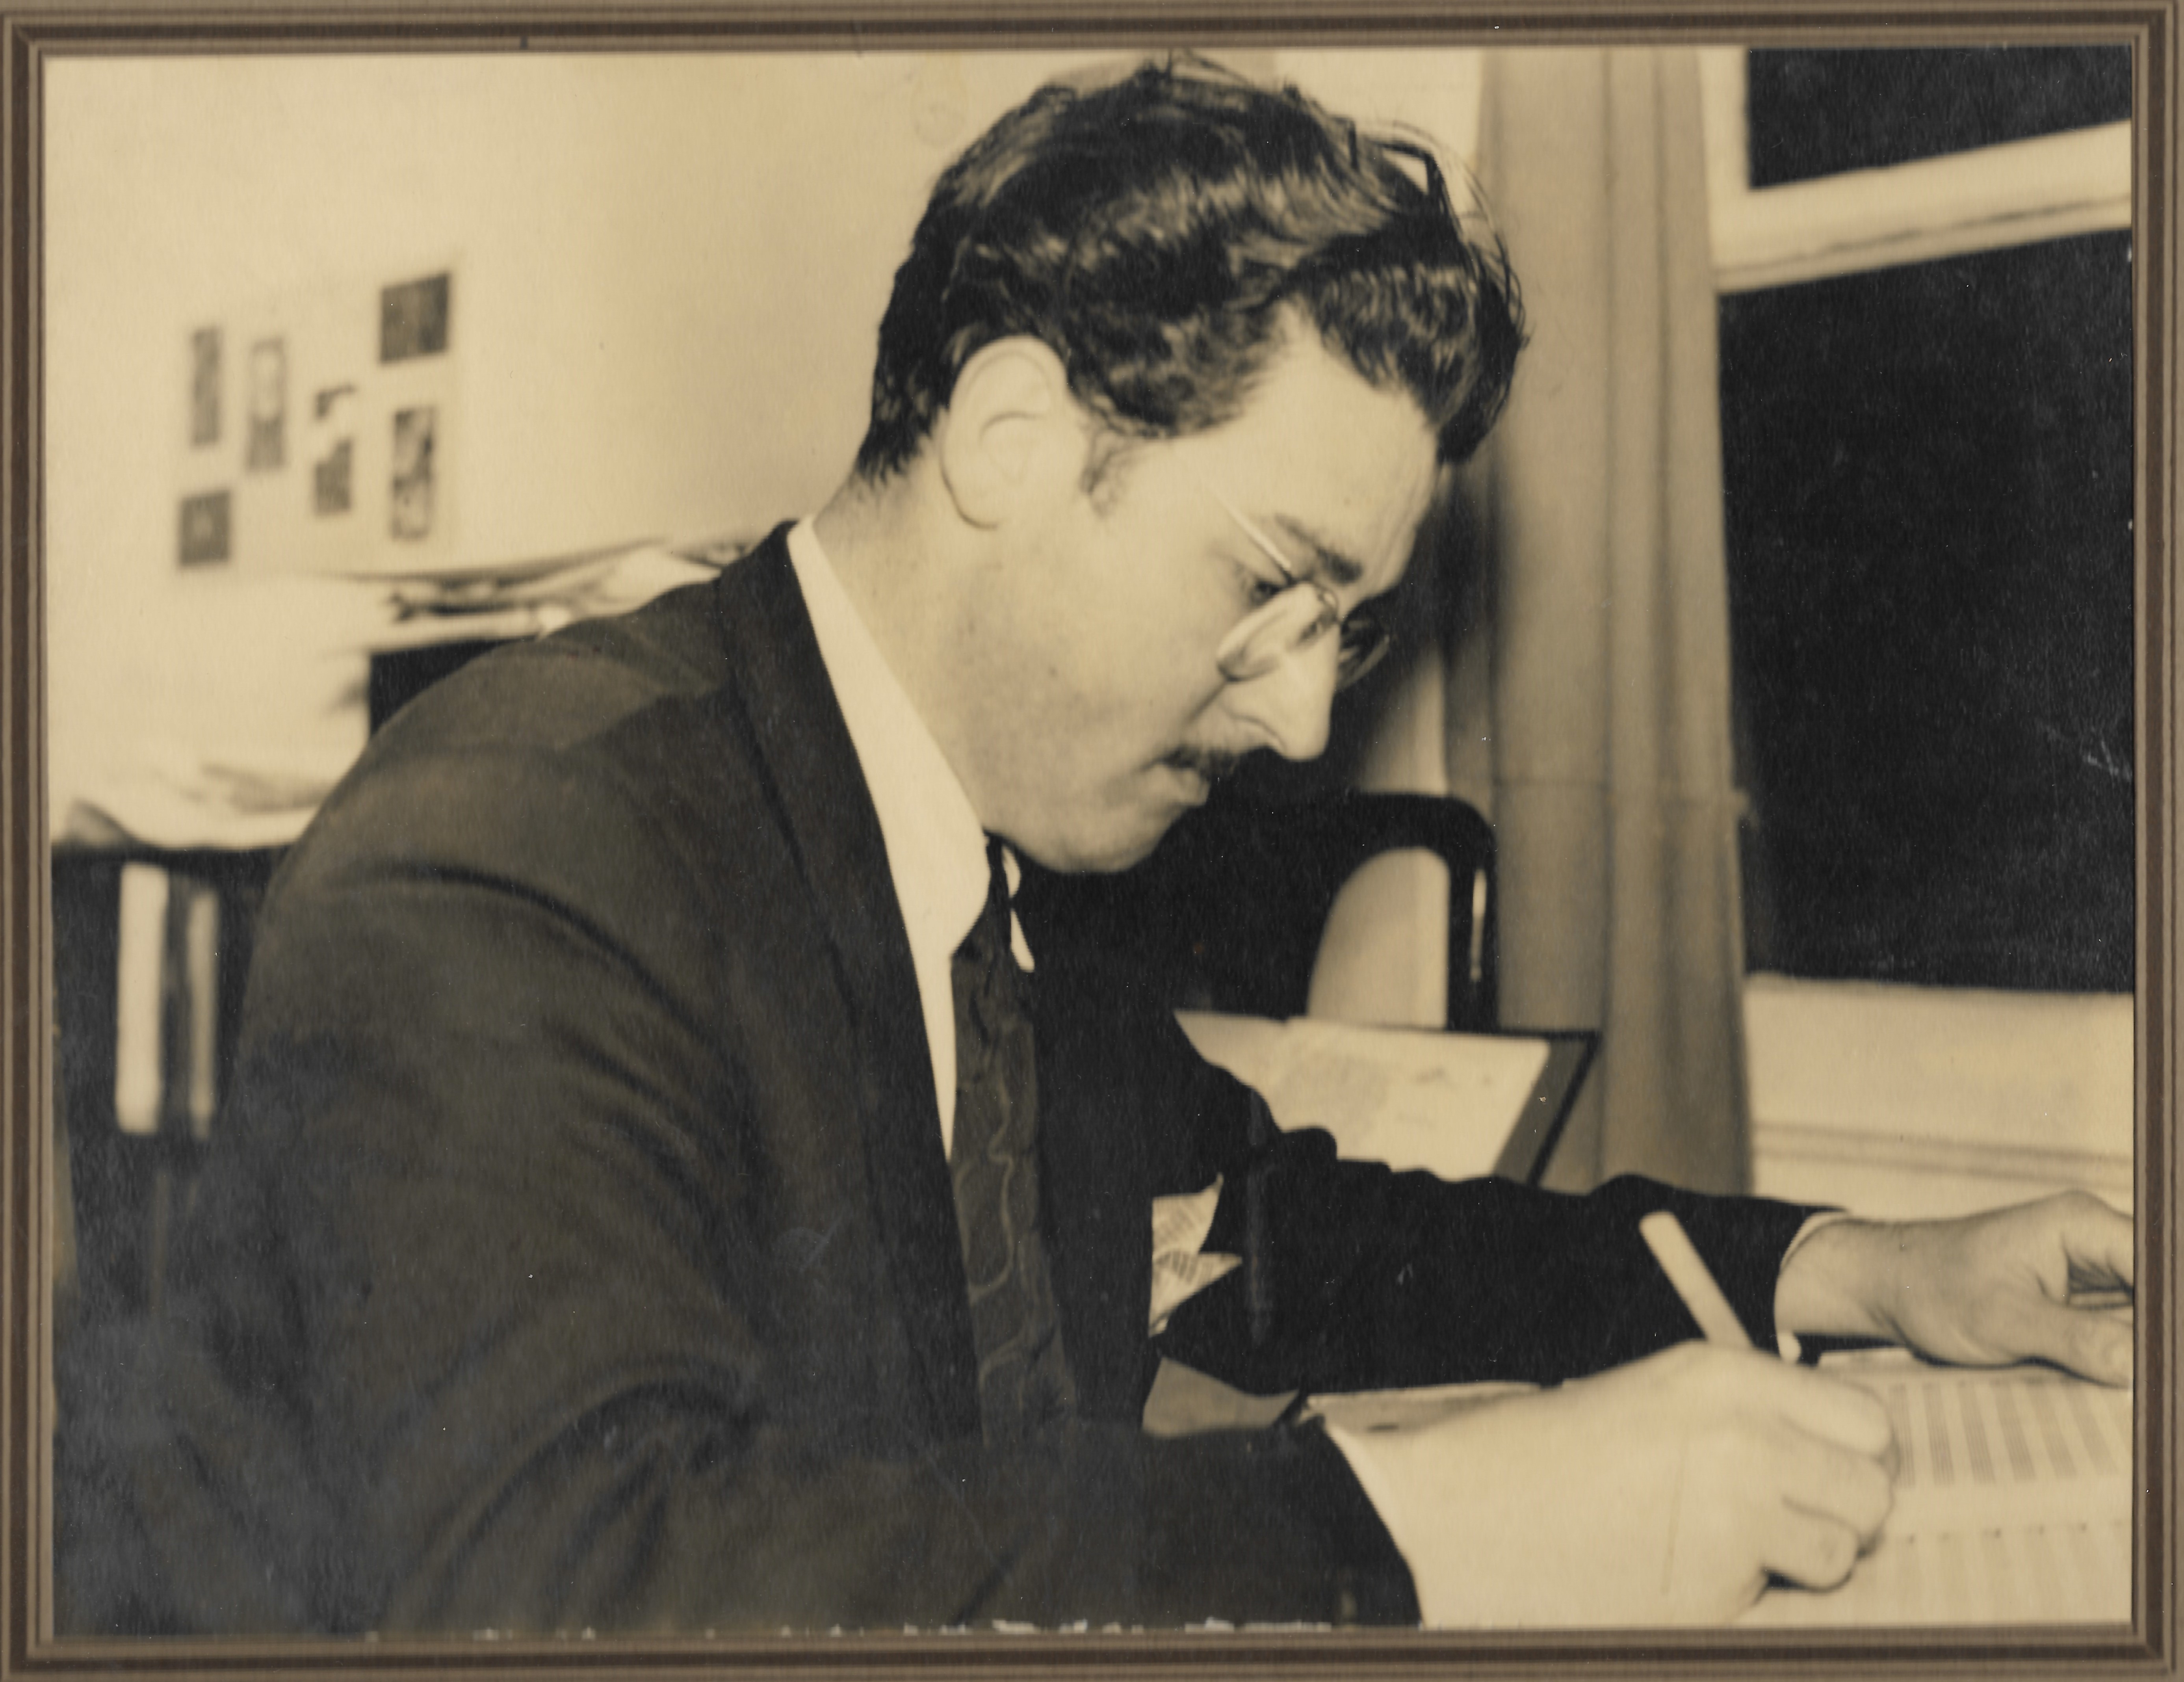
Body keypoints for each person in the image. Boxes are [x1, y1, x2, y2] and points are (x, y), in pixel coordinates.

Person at [58, 56, 2134, 1635]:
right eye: (1267, 584)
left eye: (1350, 626)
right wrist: (1425, 1531)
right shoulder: (524, 846)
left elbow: (1285, 1234)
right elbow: (559, 1581)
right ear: (1014, 439)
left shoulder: (990, 873)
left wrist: (1851, 1268)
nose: (1304, 715)